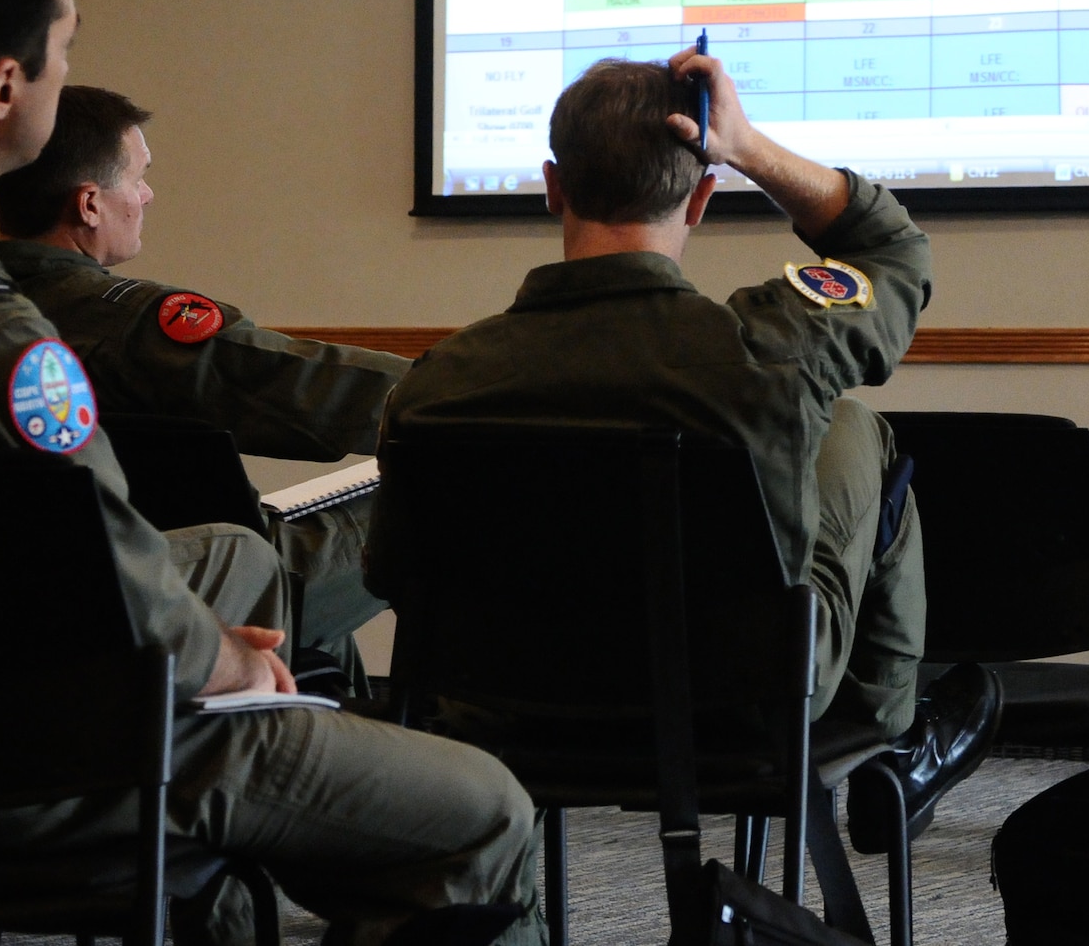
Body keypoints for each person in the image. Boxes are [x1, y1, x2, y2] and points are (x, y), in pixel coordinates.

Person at [0, 0, 541, 945]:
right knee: (482, 813)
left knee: (227, 559)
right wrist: (239, 667)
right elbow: (140, 613)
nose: (70, 70)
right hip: (10, 757)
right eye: (66, 47)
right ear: (3, 86)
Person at [381, 52, 1001, 854]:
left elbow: (394, 578)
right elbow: (892, 250)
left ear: (552, 186)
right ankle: (892, 728)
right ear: (702, 195)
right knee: (853, 429)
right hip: (741, 701)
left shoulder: (435, 386)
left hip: (499, 712)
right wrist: (746, 147)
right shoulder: (769, 352)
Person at [0, 84, 405, 696]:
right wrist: (469, 389)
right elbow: (304, 390)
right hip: (202, 592)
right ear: (89, 205)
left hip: (47, 603)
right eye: (137, 178)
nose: (148, 194)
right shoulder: (124, 323)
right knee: (449, 478)